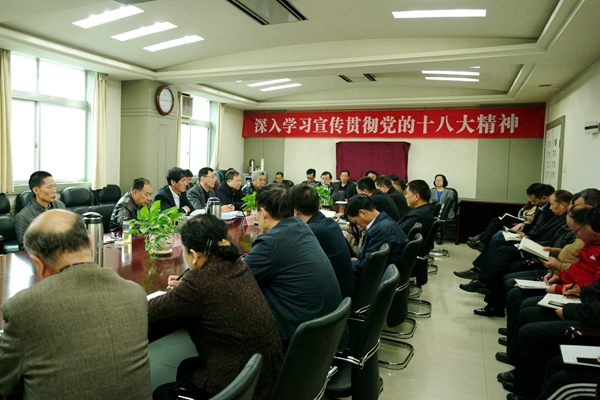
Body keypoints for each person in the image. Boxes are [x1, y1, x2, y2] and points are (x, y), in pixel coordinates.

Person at [0, 209, 151, 399]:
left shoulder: (23, 309)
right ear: (91, 243)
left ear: (37, 263)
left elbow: (4, 380)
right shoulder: (135, 293)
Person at [148, 214, 282, 400]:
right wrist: (186, 286)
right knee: (187, 367)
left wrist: (185, 287)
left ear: (194, 255)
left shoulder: (198, 283)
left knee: (162, 393)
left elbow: (151, 312)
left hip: (238, 387)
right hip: (266, 377)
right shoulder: (236, 264)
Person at [498, 206, 600, 400]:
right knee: (523, 305)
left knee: (529, 325)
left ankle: (524, 387)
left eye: (577, 230)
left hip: (584, 310)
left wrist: (569, 307)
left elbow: (592, 289)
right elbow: (584, 275)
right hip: (575, 295)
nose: (576, 235)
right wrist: (562, 277)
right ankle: (519, 370)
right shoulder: (589, 243)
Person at [243, 185, 342, 351]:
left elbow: (236, 278)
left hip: (299, 342)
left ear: (264, 213)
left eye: (256, 212)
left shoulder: (271, 243)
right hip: (327, 334)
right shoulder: (301, 227)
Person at [459, 190, 575, 317]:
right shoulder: (560, 217)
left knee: (504, 254)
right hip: (543, 250)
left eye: (552, 204)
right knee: (501, 249)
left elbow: (557, 245)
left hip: (546, 256)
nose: (550, 207)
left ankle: (484, 281)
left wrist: (534, 243)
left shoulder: (569, 221)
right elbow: (548, 237)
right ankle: (484, 282)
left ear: (563, 205)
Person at [290, 183, 355, 299]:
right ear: (318, 204)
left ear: (296, 212)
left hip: (332, 299)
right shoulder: (331, 223)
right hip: (345, 294)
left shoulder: (309, 232)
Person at [346, 194, 408, 283]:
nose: (358, 226)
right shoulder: (385, 223)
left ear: (363, 213)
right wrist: (358, 262)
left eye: (356, 222)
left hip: (376, 280)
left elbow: (368, 267)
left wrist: (348, 264)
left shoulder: (381, 231)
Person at [14, 171, 66, 247]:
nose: (54, 191)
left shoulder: (60, 205)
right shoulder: (23, 217)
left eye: (54, 186)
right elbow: (24, 247)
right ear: (36, 190)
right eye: (49, 187)